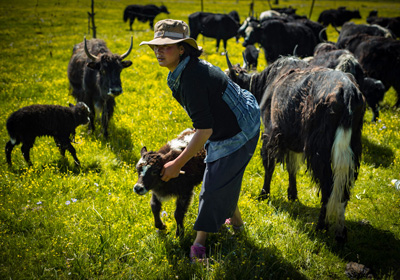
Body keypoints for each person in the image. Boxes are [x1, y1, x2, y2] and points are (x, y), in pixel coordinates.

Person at [140, 19, 260, 262]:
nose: (159, 51)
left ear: (183, 48)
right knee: (222, 178)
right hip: (229, 121)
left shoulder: (191, 77)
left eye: (167, 46)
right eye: (156, 46)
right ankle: (238, 226)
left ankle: (198, 245)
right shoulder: (181, 72)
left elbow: (205, 130)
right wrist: (195, 130)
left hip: (239, 129)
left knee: (212, 186)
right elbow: (206, 114)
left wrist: (177, 165)